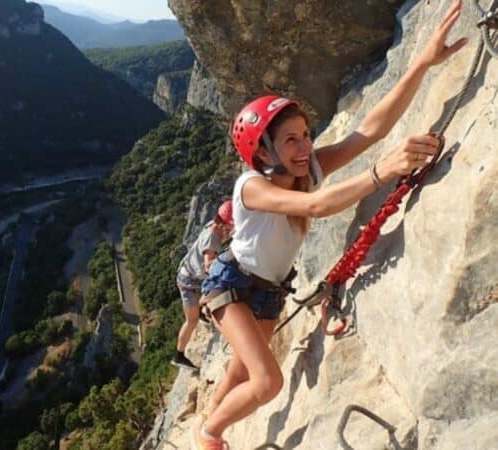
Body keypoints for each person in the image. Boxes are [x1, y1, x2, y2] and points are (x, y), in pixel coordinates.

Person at [191, 1, 467, 448]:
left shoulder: (306, 170)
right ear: (263, 154)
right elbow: (317, 207)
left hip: (264, 289)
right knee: (266, 384)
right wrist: (380, 173)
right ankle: (209, 433)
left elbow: (370, 131)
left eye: (305, 134)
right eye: (290, 140)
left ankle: (208, 424)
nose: (305, 147)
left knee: (242, 370)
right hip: (232, 285)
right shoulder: (251, 188)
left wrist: (420, 63)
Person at [172, 200, 235, 371]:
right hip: (189, 282)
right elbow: (209, 265)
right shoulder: (213, 238)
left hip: (192, 274)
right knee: (191, 321)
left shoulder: (215, 224)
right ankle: (178, 355)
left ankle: (200, 312)